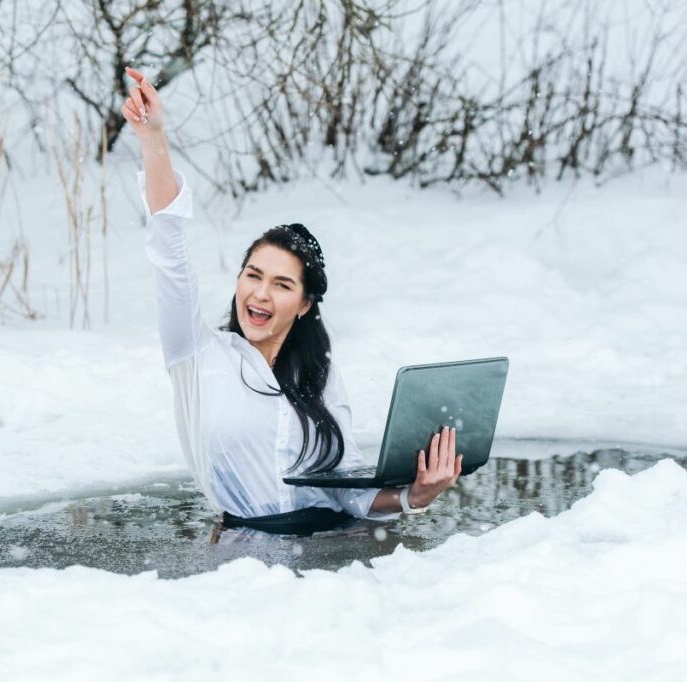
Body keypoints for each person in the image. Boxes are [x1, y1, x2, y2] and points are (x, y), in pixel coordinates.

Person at [122, 66, 462, 533]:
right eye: (253, 275)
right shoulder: (197, 355)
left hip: (336, 552)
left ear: (305, 304)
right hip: (246, 560)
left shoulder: (318, 374)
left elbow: (351, 497)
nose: (260, 294)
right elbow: (171, 254)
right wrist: (153, 137)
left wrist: (415, 495)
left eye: (281, 285)